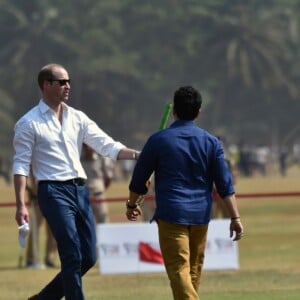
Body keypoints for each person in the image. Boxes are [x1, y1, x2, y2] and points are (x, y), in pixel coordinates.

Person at [13, 63, 140, 300]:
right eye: (62, 82)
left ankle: (43, 299)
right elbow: (20, 165)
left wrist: (137, 154)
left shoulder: (77, 118)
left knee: (88, 257)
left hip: (80, 190)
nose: (68, 86)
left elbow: (107, 145)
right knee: (72, 254)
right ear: (46, 85)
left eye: (68, 81)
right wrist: (21, 205)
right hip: (52, 191)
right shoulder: (28, 123)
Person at [126, 86, 244, 300]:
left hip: (172, 214)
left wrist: (132, 204)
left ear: (174, 111)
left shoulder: (158, 140)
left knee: (180, 269)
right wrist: (235, 216)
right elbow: (225, 183)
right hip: (201, 214)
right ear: (199, 112)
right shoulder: (211, 142)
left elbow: (138, 179)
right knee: (193, 271)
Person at [25, 171, 57, 269]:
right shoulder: (31, 160)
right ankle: (31, 259)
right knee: (34, 230)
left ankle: (50, 258)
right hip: (37, 199)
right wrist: (29, 190)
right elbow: (23, 175)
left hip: (53, 197)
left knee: (53, 230)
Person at [81, 143, 115, 224]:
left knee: (103, 219)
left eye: (90, 146)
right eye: (86, 147)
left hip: (98, 195)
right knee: (84, 220)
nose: (88, 148)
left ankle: (105, 236)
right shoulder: (79, 160)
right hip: (83, 196)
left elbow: (108, 178)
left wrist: (101, 189)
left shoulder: (102, 159)